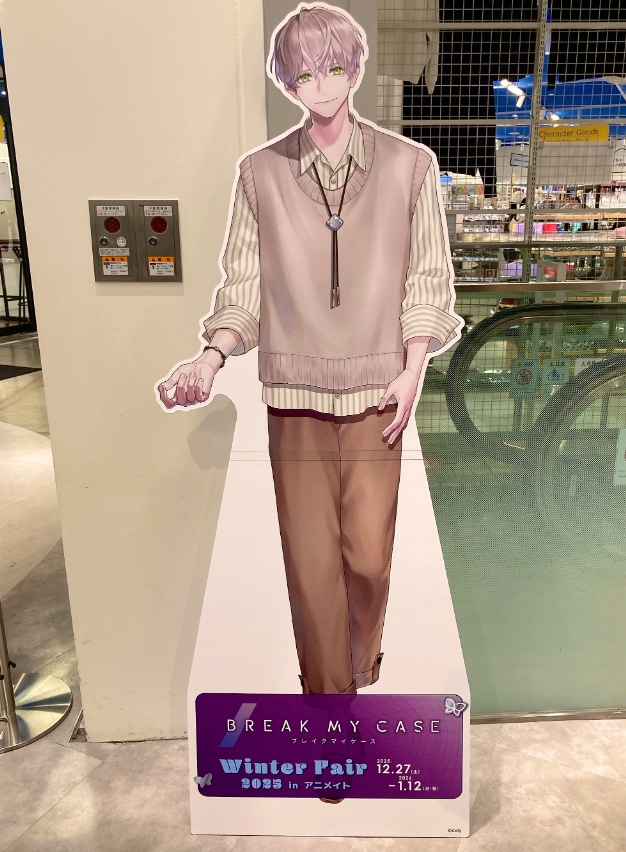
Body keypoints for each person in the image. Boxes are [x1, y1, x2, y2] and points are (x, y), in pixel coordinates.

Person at [158, 3, 462, 700]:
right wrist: (210, 357)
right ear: (287, 83)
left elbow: (427, 277)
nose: (320, 87)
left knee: (369, 558)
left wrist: (414, 367)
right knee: (311, 564)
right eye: (303, 76)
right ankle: (331, 705)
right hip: (293, 398)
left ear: (353, 69)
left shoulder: (410, 166)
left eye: (331, 69)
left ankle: (359, 666)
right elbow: (243, 285)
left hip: (378, 394)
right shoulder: (259, 174)